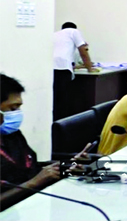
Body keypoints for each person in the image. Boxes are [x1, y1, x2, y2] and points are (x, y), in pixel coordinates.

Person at [1, 74, 90, 210]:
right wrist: (34, 183)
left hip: (30, 206)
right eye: (13, 108)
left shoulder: (12, 135)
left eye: (19, 108)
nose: (17, 113)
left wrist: (64, 167)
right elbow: (31, 181)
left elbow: (30, 168)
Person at [52, 22, 98, 121]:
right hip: (63, 70)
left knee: (56, 99)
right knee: (64, 101)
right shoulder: (74, 32)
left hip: (52, 69)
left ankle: (56, 123)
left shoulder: (55, 34)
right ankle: (63, 124)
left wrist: (80, 66)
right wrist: (89, 68)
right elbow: (83, 52)